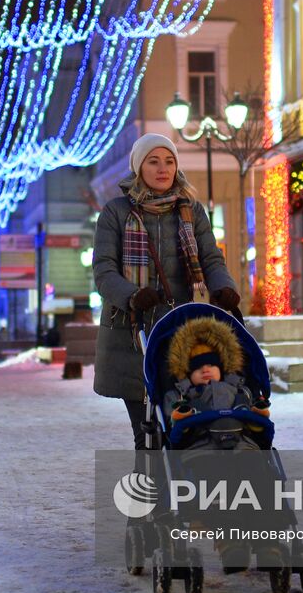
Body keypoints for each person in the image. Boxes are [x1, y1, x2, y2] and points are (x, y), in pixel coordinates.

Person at [92, 133, 241, 448]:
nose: (163, 168)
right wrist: (133, 295)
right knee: (146, 430)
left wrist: (224, 288)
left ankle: (182, 483)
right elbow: (104, 271)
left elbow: (211, 258)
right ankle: (150, 489)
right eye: (154, 161)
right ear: (139, 167)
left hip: (177, 329)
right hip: (131, 332)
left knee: (181, 420)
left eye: (169, 161)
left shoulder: (191, 211)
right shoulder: (116, 212)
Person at [161, 315, 269, 450]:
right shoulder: (180, 396)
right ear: (187, 373)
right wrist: (178, 417)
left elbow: (254, 418)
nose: (205, 369)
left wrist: (258, 414)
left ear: (222, 368)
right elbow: (171, 420)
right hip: (199, 445)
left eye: (211, 365)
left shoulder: (241, 390)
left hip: (240, 442)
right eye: (198, 367)